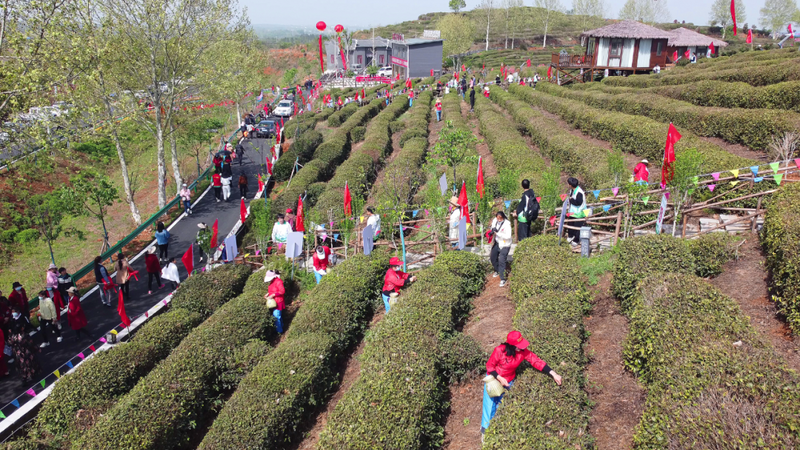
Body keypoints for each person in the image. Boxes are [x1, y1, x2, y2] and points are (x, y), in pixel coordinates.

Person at [480, 331, 562, 441]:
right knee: (490, 405)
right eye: (518, 346)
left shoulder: (522, 352)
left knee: (502, 405)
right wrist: (499, 378)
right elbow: (490, 367)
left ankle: (497, 431)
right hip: (494, 378)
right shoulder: (499, 350)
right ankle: (485, 432)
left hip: (509, 380)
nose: (521, 348)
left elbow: (536, 361)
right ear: (511, 345)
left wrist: (553, 373)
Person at [489, 211, 512, 287]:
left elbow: (508, 236)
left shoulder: (507, 224)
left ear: (503, 217)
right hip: (498, 242)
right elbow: (493, 226)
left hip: (505, 244)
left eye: (500, 218)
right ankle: (497, 270)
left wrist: (498, 234)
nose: (499, 219)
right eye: (497, 218)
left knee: (502, 259)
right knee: (493, 257)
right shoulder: (495, 221)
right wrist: (493, 230)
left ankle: (503, 279)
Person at [567, 177, 587, 246]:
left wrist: (571, 200)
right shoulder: (572, 190)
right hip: (573, 212)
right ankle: (570, 236)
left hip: (579, 212)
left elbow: (578, 202)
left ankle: (576, 240)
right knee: (570, 224)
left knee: (577, 227)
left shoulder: (579, 192)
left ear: (570, 185)